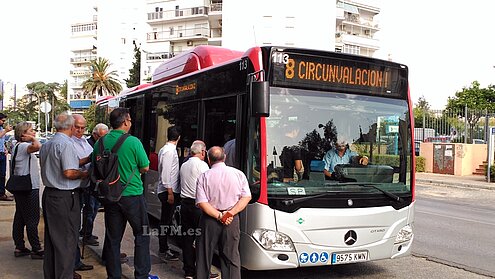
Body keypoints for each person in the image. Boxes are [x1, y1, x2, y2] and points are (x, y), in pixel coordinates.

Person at [93, 107, 152, 279]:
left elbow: (96, 167)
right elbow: (145, 167)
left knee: (113, 239)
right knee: (142, 234)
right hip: (132, 194)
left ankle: (114, 276)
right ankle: (141, 275)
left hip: (110, 196)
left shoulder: (100, 142)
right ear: (125, 121)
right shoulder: (133, 142)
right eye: (131, 120)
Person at [39, 113, 89, 279]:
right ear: (72, 126)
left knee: (53, 239)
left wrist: (86, 160)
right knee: (66, 241)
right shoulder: (66, 144)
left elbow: (66, 163)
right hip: (64, 196)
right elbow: (68, 172)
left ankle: (52, 274)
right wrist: (85, 174)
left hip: (50, 194)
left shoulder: (48, 143)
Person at [195, 146, 252, 279]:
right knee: (231, 258)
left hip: (209, 220)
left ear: (209, 159)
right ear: (224, 157)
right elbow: (246, 197)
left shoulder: (204, 177)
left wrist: (219, 215)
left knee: (204, 256)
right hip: (231, 221)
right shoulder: (238, 174)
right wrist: (230, 213)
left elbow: (202, 203)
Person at [179, 140, 219, 279]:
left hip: (185, 205)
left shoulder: (184, 165)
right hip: (198, 207)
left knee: (187, 238)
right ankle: (203, 272)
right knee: (202, 240)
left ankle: (189, 271)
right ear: (202, 152)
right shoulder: (203, 166)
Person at [10, 121, 43, 259]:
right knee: (32, 218)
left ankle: (19, 246)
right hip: (29, 187)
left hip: (20, 186)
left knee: (20, 217)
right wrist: (32, 139)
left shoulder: (16, 146)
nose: (34, 133)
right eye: (31, 131)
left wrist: (30, 137)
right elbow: (38, 146)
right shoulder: (24, 146)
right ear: (23, 134)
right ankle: (36, 248)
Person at [157, 126, 181, 261]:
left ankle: (164, 246)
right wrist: (170, 193)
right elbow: (166, 173)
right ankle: (163, 248)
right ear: (178, 137)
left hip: (167, 190)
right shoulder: (169, 151)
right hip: (168, 191)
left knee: (166, 220)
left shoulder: (165, 149)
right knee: (165, 221)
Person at [0, 112, 14, 201]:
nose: (3, 122)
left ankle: (1, 193)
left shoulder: (1, 128)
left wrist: (4, 148)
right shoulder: (3, 130)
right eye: (2, 120)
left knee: (2, 175)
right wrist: (5, 131)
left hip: (1, 153)